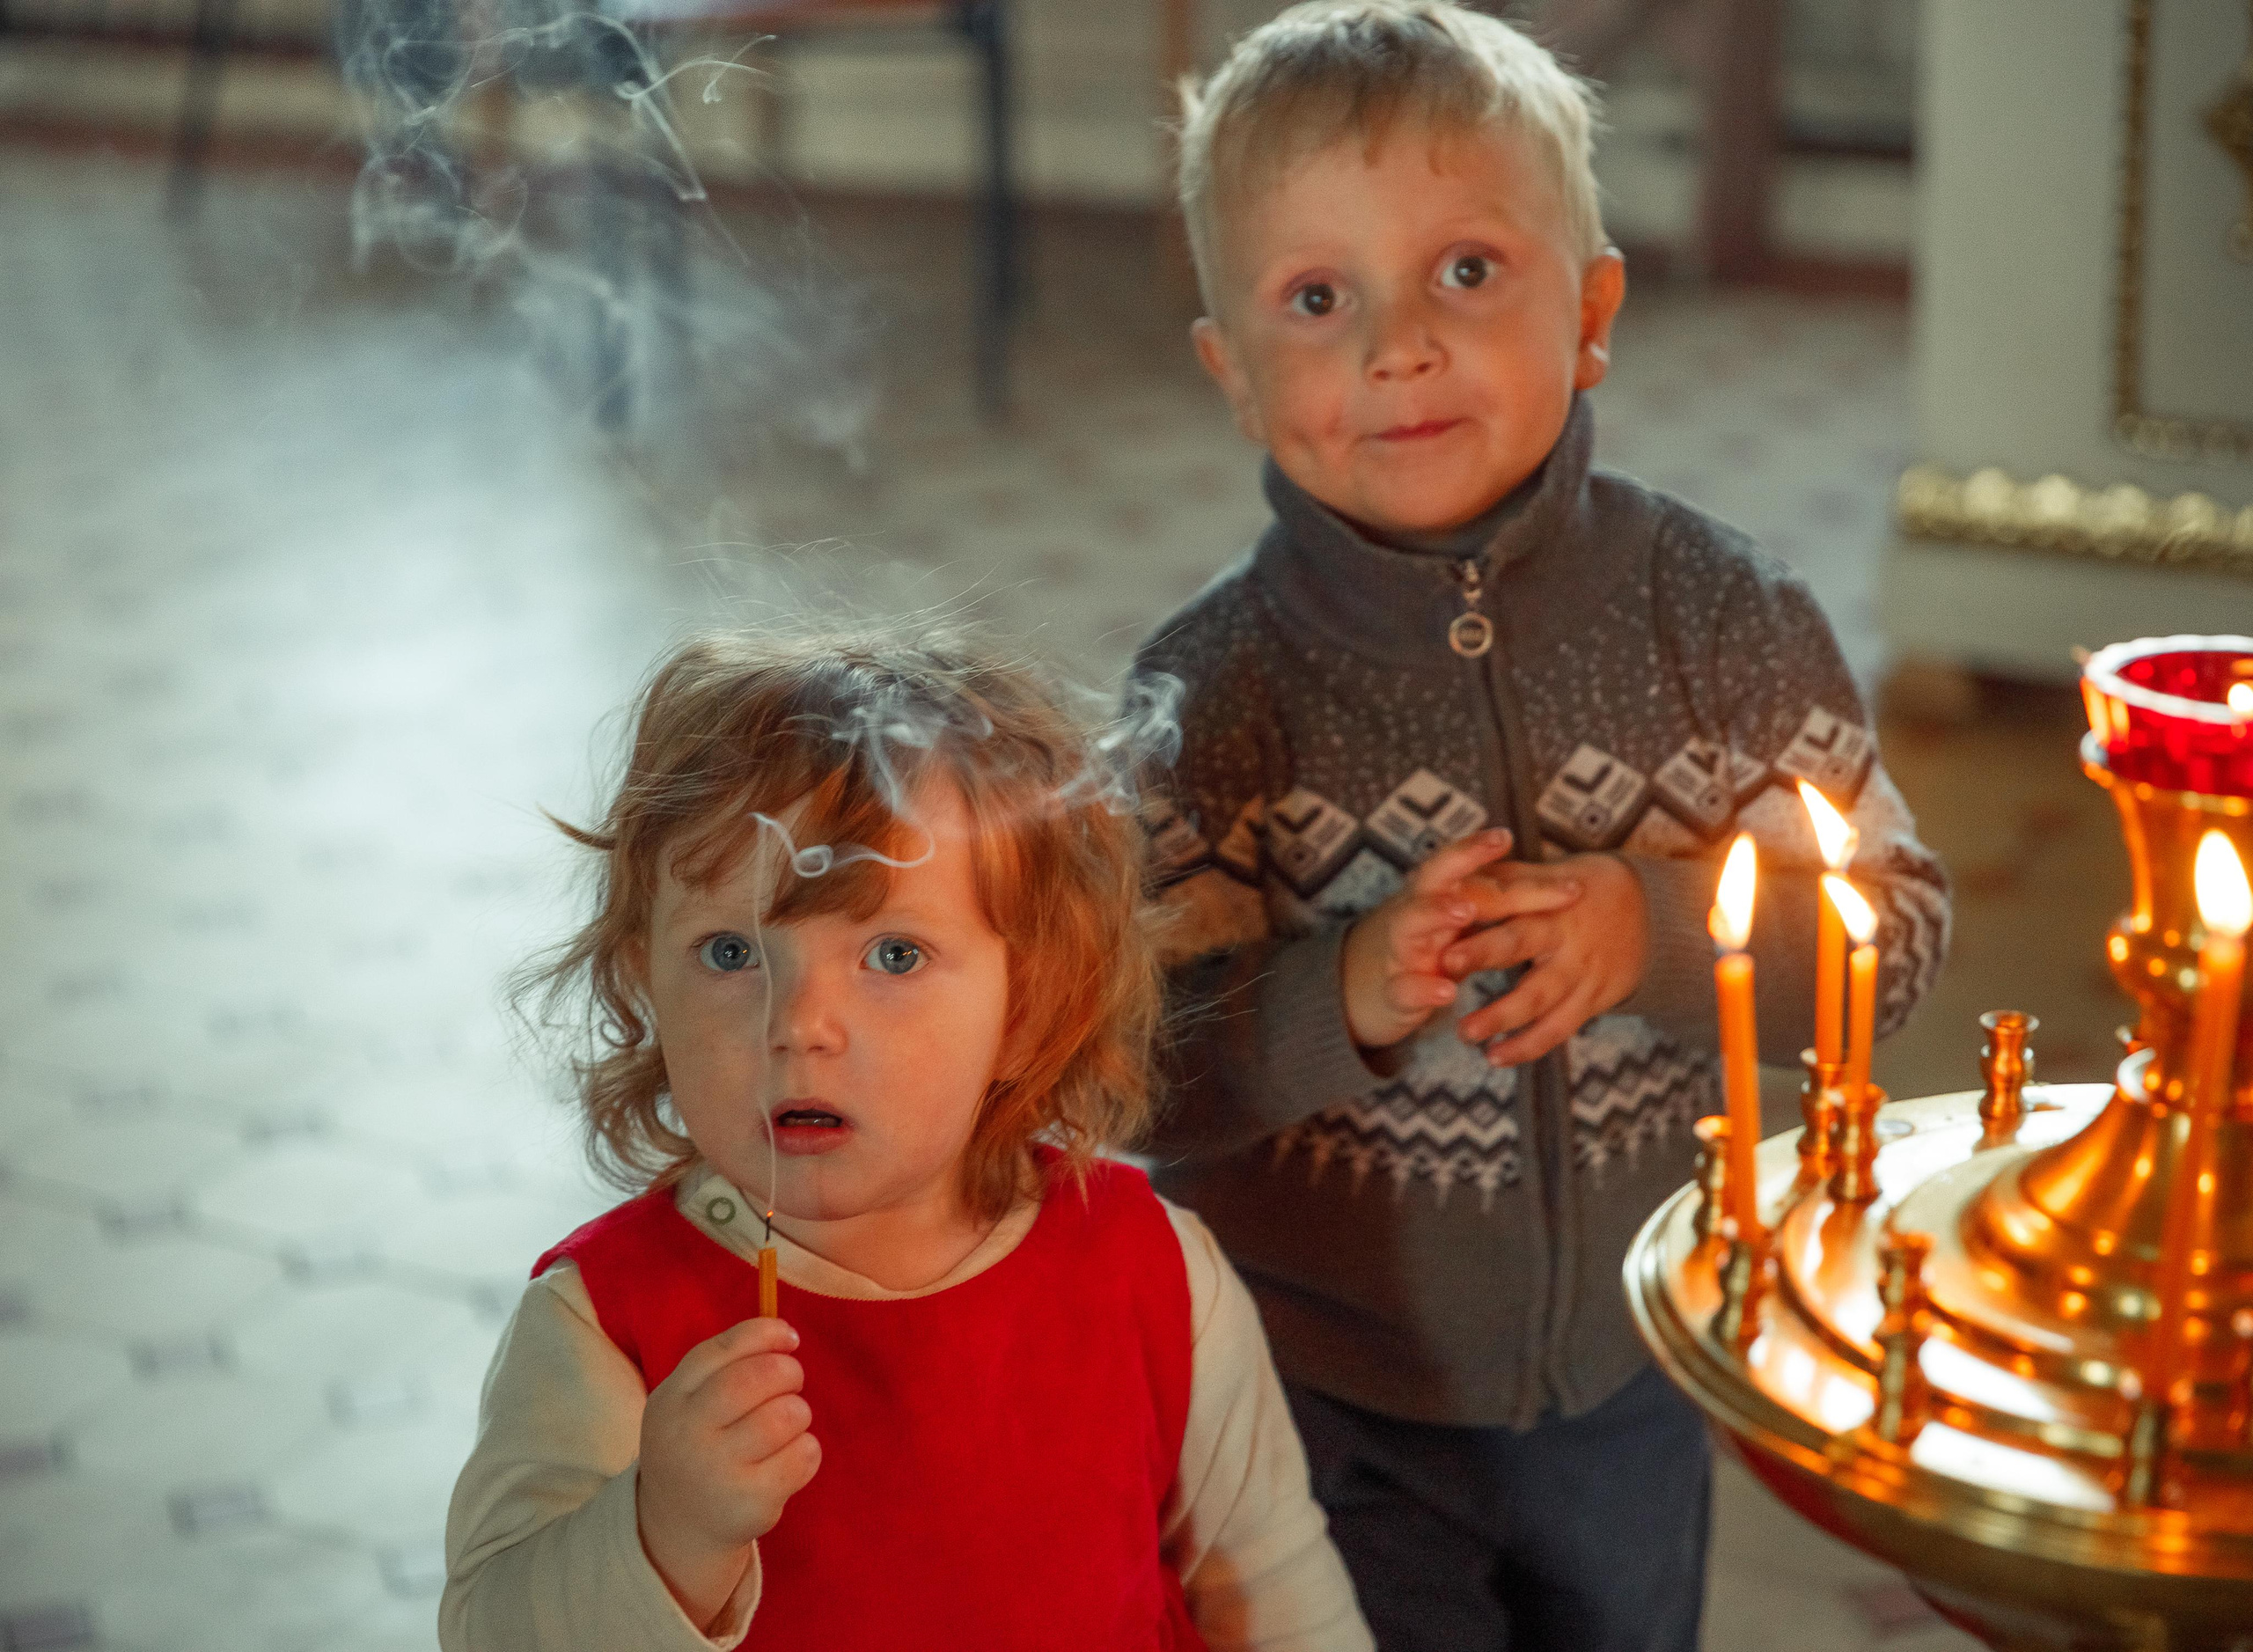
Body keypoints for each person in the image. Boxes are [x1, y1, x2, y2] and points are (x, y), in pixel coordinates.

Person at [1132, 4, 1952, 1648]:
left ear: (1592, 314)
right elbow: (1132, 1068)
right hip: (1320, 1394)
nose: (1398, 346)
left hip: (1645, 1368)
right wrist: (1339, 993)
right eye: (1316, 298)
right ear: (1232, 371)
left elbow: (1901, 936)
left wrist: (1660, 931)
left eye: (1467, 272)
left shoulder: (1724, 620)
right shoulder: (1205, 701)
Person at [440, 631, 1374, 1651]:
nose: (799, 1021)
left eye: (893, 952)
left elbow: (1270, 1580)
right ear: (640, 982)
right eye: (731, 951)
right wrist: (664, 1531)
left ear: (1026, 1005)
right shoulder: (603, 1322)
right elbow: (493, 1631)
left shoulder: (1154, 1271)